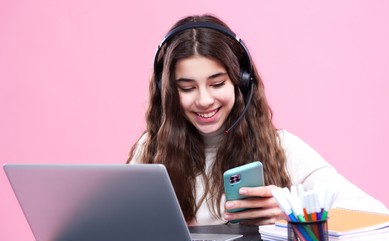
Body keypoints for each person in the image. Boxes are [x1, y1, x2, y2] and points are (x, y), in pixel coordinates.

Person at [126, 14, 389, 226]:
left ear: (241, 82)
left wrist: (291, 213)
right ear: (167, 91)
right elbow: (119, 228)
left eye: (217, 83)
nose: (204, 100)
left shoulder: (283, 148)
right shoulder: (150, 149)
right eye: (187, 88)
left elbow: (376, 215)